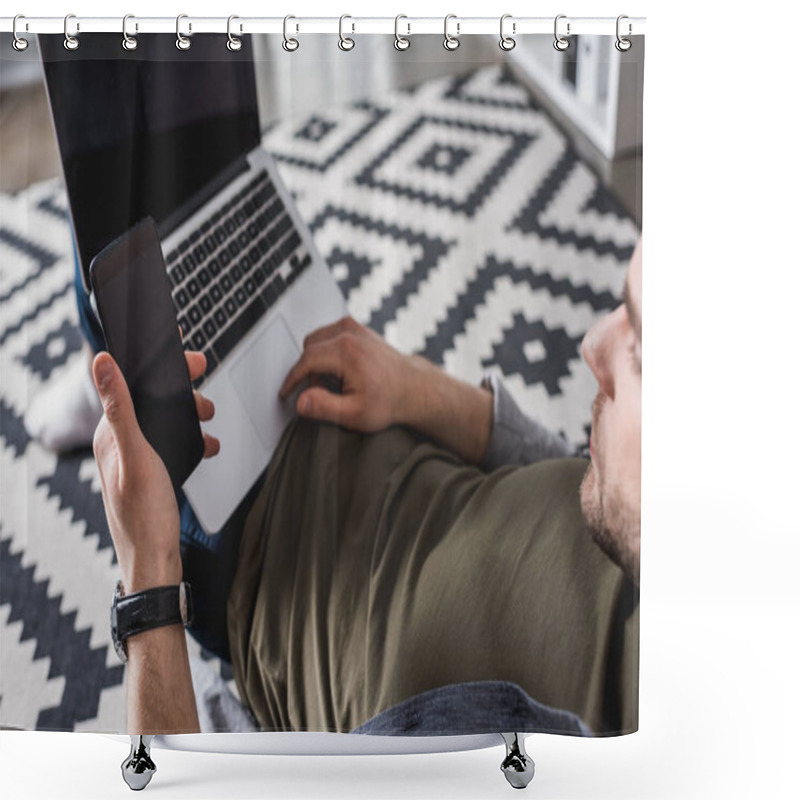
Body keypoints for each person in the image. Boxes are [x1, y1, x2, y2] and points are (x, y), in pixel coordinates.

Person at [89, 238, 642, 736]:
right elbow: (584, 484)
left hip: (251, 554)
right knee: (204, 197)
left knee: (112, 244)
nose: (593, 344)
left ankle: (93, 368)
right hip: (356, 414)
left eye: (641, 350)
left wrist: (149, 582)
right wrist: (415, 385)